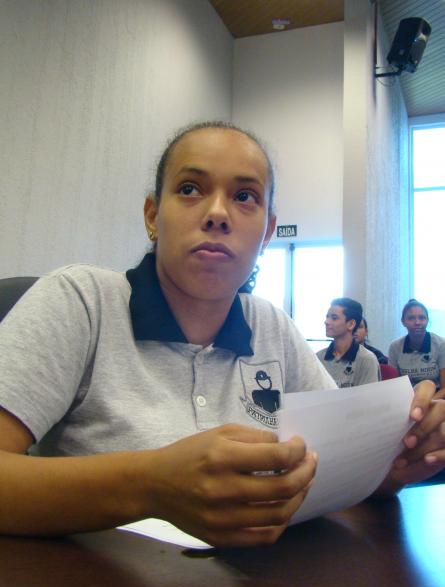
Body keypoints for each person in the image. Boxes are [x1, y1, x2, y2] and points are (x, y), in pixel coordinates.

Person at [0, 123, 444, 548]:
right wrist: (149, 485)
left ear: (267, 233)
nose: (216, 214)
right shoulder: (82, 301)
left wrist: (398, 456)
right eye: (190, 189)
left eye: (244, 196)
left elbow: (332, 466)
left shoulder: (272, 325)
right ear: (153, 215)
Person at [317, 298, 381, 388]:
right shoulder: (318, 357)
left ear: (351, 324)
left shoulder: (366, 359)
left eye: (334, 318)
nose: (326, 322)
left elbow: (368, 395)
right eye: (327, 317)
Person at [388, 299, 445, 398]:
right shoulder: (395, 347)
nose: (417, 322)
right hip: (406, 399)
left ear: (427, 320)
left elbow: (444, 389)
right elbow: (394, 387)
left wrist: (424, 404)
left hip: (435, 398)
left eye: (422, 318)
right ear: (403, 321)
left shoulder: (441, 344)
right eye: (411, 318)